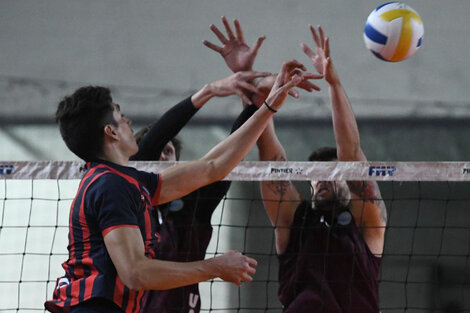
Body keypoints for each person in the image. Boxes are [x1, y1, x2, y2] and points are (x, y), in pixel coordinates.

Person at [44, 60, 313, 313]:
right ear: (111, 132)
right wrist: (214, 267)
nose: (127, 122)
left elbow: (213, 167)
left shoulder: (128, 181)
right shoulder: (110, 185)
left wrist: (267, 106)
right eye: (120, 116)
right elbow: (136, 273)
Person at [135, 17, 269, 313]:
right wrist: (208, 90)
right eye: (158, 153)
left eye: (169, 153)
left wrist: (250, 96)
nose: (163, 158)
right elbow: (150, 144)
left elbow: (230, 153)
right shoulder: (128, 197)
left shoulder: (195, 203)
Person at [255, 26, 387, 312]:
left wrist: (334, 85)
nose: (323, 179)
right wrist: (266, 99)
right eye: (316, 175)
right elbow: (270, 160)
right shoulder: (294, 218)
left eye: (332, 174)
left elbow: (351, 154)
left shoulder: (366, 223)